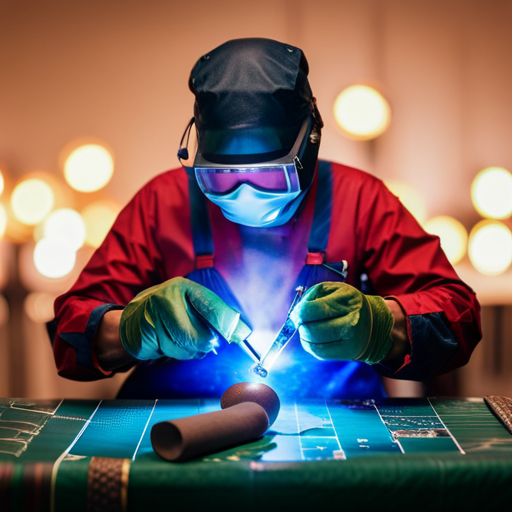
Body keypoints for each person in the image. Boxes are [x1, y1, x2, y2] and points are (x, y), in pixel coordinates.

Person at [48, 38, 482, 400]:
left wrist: (381, 325)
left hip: (338, 422)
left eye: (269, 176)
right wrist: (128, 329)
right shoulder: (162, 202)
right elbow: (70, 331)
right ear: (197, 158)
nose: (244, 193)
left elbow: (458, 315)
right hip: (171, 422)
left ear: (308, 144)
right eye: (221, 178)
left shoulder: (361, 199)